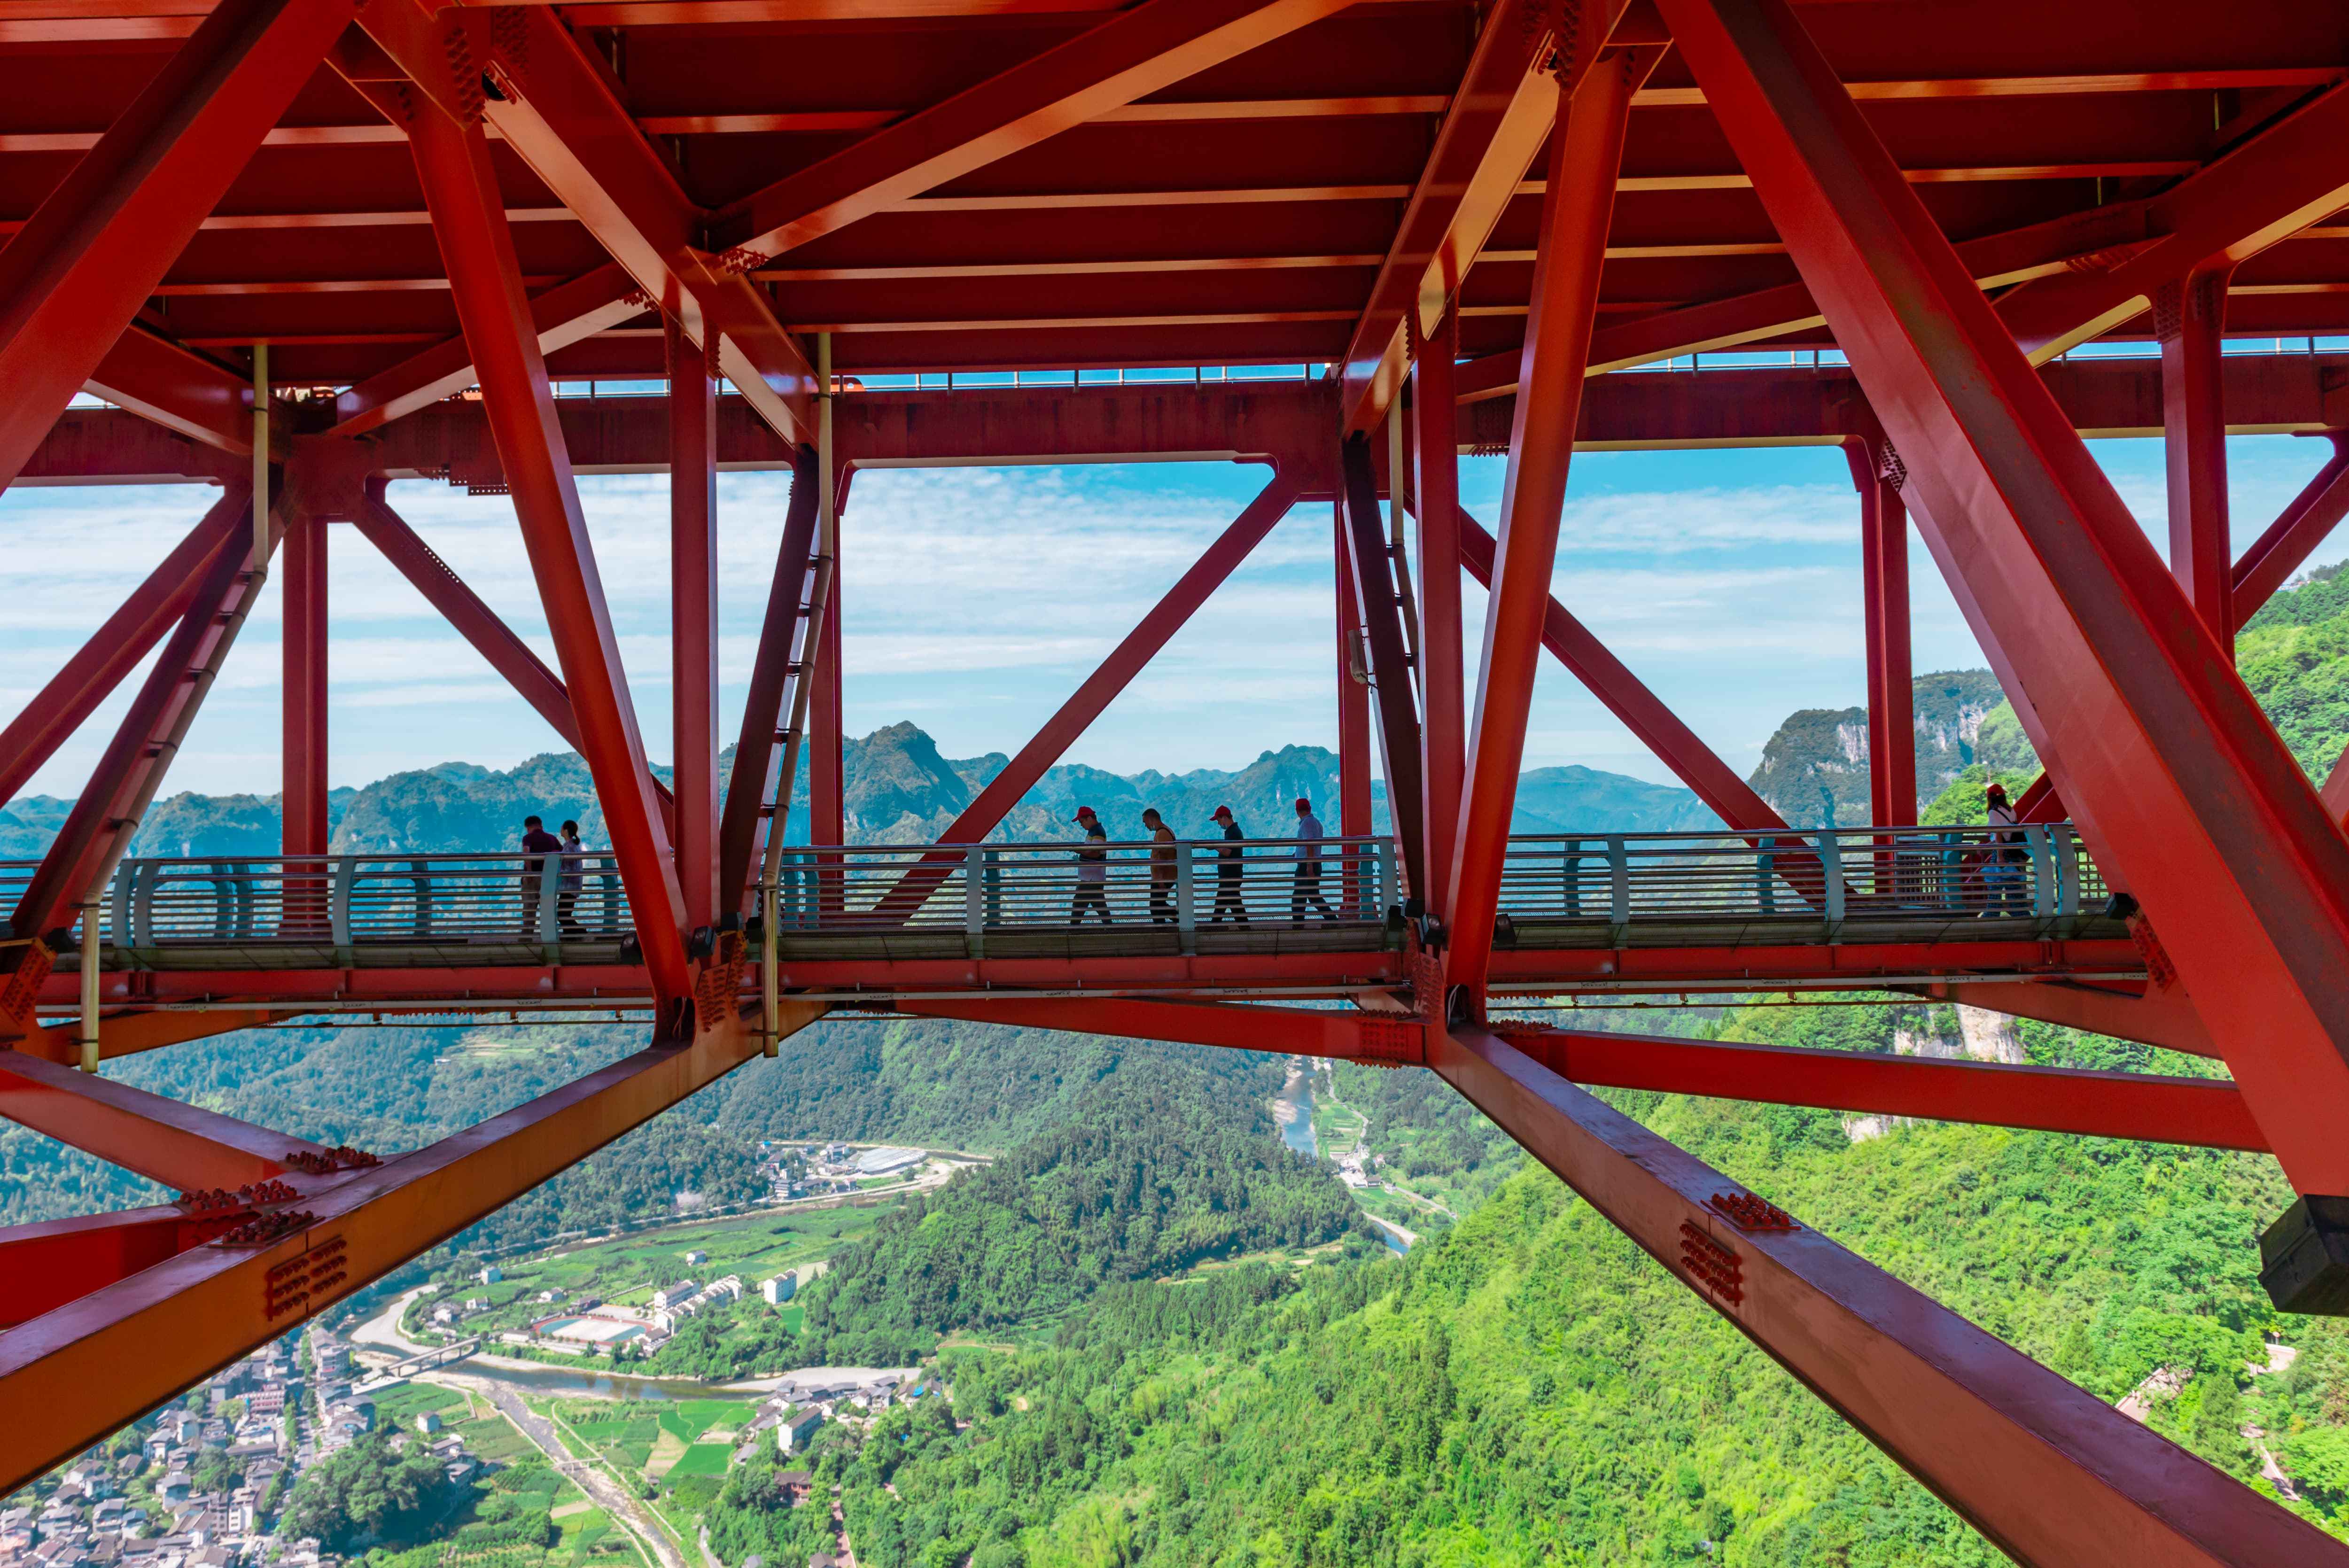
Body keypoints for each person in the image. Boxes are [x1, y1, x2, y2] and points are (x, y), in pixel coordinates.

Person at [1983, 781, 2026, 915]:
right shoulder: (2010, 810)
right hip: (2012, 849)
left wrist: (2000, 856)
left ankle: (1992, 913)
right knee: (2012, 884)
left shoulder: (1993, 813)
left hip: (2002, 851)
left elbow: (1999, 834)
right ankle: (2020, 913)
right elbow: (2007, 833)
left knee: (1995, 883)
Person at [1290, 796, 1334, 925]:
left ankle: (1298, 925)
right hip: (1314, 863)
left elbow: (1310, 843)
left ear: (1297, 811)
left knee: (1298, 897)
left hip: (1307, 865)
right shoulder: (1316, 822)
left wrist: (1309, 865)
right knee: (1313, 896)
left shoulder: (1307, 823)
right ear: (1309, 809)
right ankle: (1332, 920)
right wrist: (1298, 851)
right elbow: (1310, 844)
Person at [1069, 806, 1112, 925]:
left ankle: (1072, 931)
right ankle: (1111, 929)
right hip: (1092, 877)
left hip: (1091, 879)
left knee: (1078, 905)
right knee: (1098, 905)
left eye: (1082, 822)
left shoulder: (1098, 832)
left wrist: (1080, 851)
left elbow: (1095, 853)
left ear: (1089, 818)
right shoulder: (1095, 831)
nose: (1081, 825)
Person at [1208, 805, 1249, 927]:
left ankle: (1215, 928)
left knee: (1227, 903)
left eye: (1218, 820)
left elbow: (1228, 851)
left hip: (1230, 876)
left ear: (1225, 818)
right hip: (1230, 875)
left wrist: (1214, 846)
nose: (1218, 824)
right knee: (1230, 903)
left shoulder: (1234, 832)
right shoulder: (1233, 831)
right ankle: (1245, 929)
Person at [519, 815, 560, 934]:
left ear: (529, 827)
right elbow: (561, 852)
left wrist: (530, 874)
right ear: (541, 826)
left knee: (529, 908)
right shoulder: (552, 838)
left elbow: (526, 854)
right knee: (548, 908)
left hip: (532, 878)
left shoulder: (528, 838)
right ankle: (549, 936)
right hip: (548, 878)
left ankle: (527, 937)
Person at [1141, 807, 1177, 925]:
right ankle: (1180, 919)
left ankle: (1164, 929)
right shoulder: (1164, 831)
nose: (1145, 825)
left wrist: (1160, 879)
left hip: (1163, 877)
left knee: (1155, 906)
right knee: (1159, 904)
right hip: (1163, 877)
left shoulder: (1162, 833)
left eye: (1145, 822)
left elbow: (1163, 857)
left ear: (1152, 819)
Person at [557, 819, 587, 938]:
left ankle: (580, 934)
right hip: (575, 886)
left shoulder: (569, 847)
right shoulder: (575, 845)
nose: (560, 830)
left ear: (566, 831)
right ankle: (571, 935)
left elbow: (568, 868)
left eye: (562, 828)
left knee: (562, 914)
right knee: (565, 914)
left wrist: (558, 872)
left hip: (569, 886)